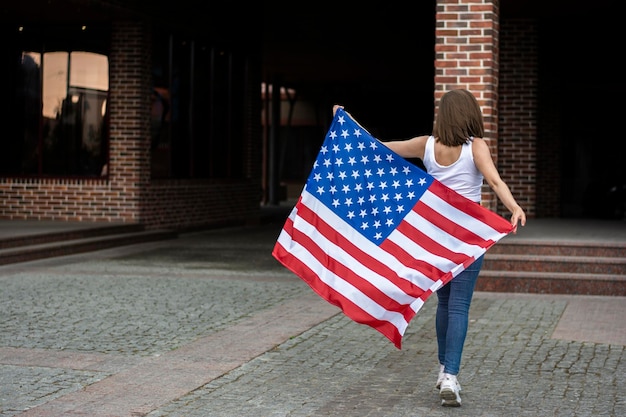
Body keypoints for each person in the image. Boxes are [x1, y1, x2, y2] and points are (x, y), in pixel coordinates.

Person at [333, 89, 526, 407]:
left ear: (444, 116)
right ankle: (450, 375)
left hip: (434, 241)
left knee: (444, 304)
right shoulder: (475, 146)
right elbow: (495, 182)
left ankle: (442, 371)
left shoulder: (426, 145)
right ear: (470, 114)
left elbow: (377, 148)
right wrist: (514, 207)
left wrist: (348, 121)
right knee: (460, 306)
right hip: (467, 240)